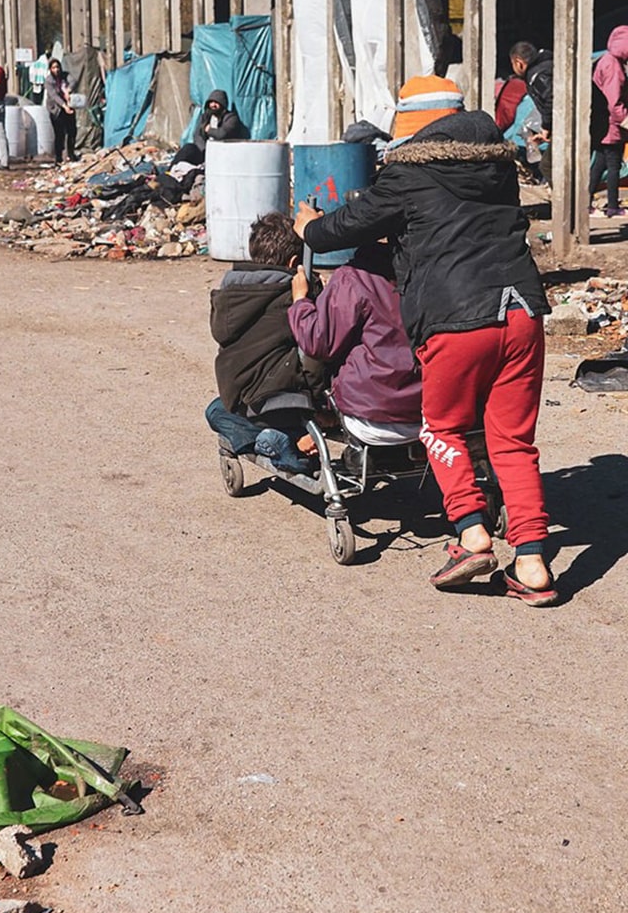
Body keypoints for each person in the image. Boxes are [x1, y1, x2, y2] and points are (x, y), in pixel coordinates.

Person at [294, 73, 557, 607]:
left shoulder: (410, 173)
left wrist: (309, 229)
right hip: (523, 310)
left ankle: (471, 535)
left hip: (457, 318)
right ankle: (531, 561)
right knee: (511, 439)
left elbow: (351, 225)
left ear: (413, 128)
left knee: (442, 427)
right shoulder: (496, 165)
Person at [205, 212, 324, 473]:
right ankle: (289, 443)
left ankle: (264, 440)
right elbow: (316, 348)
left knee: (215, 410)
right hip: (291, 400)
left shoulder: (230, 293)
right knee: (304, 456)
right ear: (295, 262)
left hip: (242, 399)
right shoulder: (295, 295)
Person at [287, 243, 422, 449]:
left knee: (326, 361)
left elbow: (317, 342)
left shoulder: (353, 277)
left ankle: (325, 418)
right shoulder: (430, 272)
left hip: (369, 415)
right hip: (426, 408)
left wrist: (300, 302)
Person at [590, 26, 628, 217]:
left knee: (600, 163)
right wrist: (625, 120)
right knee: (614, 166)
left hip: (602, 124)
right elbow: (614, 102)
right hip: (612, 125)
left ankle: (586, 202)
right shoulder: (614, 67)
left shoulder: (605, 59)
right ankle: (613, 206)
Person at [509, 40, 553, 183]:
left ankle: (568, 202)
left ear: (518, 62)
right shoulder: (547, 66)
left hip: (568, 126)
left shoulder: (538, 75)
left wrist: (546, 126)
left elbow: (551, 100)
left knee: (547, 166)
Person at [174, 89, 243, 167]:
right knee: (188, 149)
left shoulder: (231, 118)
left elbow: (222, 134)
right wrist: (204, 150)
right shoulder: (206, 117)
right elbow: (197, 135)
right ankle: (169, 171)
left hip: (222, 153)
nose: (213, 105)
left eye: (216, 103)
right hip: (205, 152)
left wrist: (209, 130)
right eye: (211, 102)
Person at [45, 58, 78, 164]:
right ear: (50, 69)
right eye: (54, 67)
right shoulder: (49, 81)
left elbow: (73, 81)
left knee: (72, 131)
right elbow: (54, 96)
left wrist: (68, 90)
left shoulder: (65, 76)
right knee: (59, 134)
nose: (56, 70)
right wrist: (64, 106)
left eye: (58, 67)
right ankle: (58, 158)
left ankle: (71, 154)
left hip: (68, 106)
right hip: (56, 109)